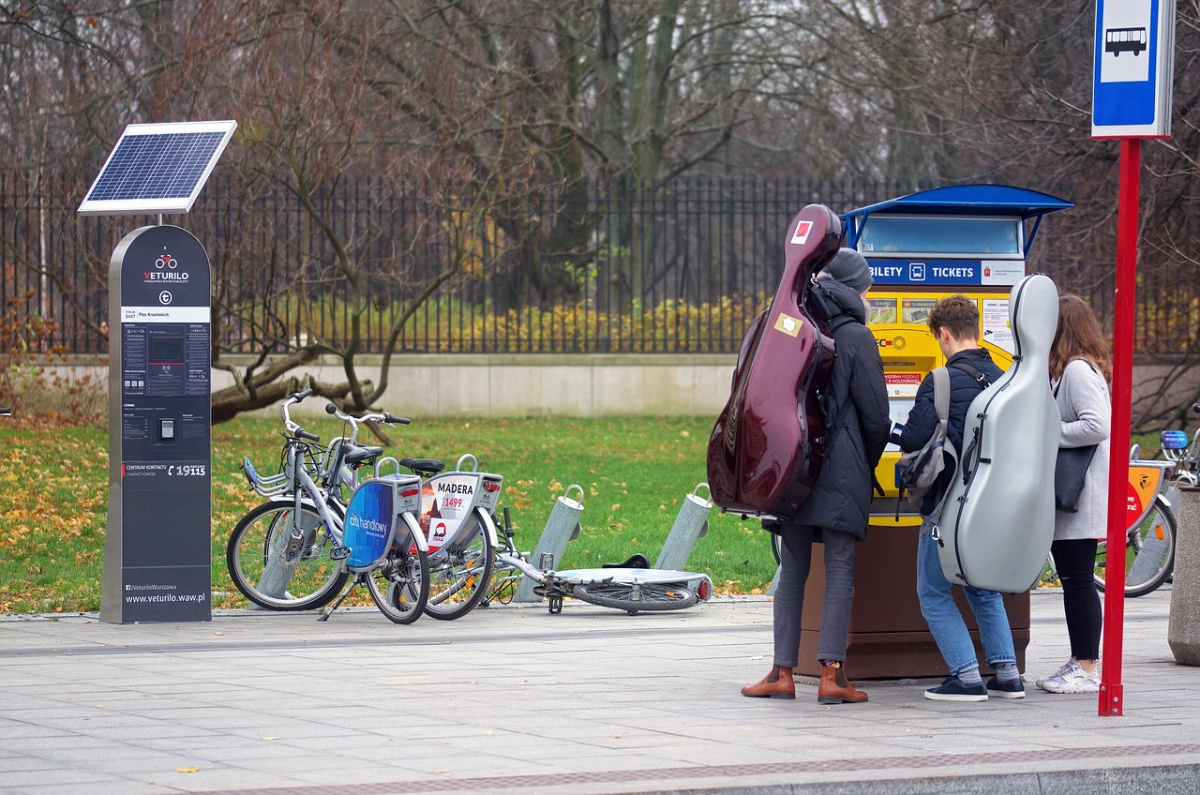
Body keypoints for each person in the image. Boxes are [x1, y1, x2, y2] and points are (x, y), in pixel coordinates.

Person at [741, 248, 890, 704]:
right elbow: (876, 416)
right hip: (841, 466)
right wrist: (864, 460)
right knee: (839, 570)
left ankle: (781, 671)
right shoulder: (857, 337)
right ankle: (832, 677)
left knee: (793, 570)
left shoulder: (798, 327)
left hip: (795, 466)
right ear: (856, 290)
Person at [898, 295, 1024, 702]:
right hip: (994, 503)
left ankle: (966, 676)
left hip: (949, 505)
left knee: (932, 591)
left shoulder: (940, 380)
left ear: (944, 333)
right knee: (981, 585)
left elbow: (917, 439)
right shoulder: (1006, 377)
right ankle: (1007, 674)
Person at [1035, 295, 1111, 694]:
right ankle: (1081, 659)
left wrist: (1051, 435)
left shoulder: (1079, 371)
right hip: (1074, 493)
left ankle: (1086, 667)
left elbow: (1097, 426)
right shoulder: (1069, 370)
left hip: (1081, 492)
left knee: (1078, 580)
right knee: (1073, 578)